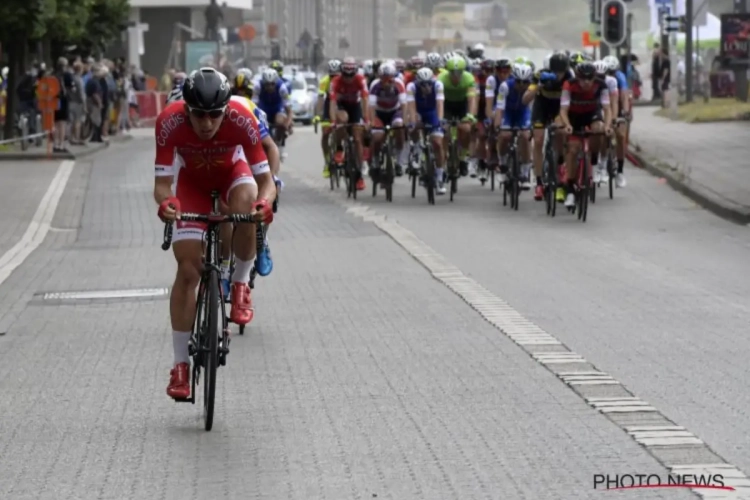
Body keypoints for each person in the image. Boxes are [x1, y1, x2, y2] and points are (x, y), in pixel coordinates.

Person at [154, 68, 276, 400]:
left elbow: (265, 180)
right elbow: (163, 185)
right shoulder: (168, 122)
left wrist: (265, 203)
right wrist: (167, 203)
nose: (206, 123)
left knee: (248, 206)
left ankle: (239, 284)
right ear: (186, 110)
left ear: (225, 110)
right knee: (188, 269)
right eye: (199, 115)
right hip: (190, 184)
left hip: (231, 174)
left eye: (214, 115)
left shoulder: (241, 119)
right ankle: (180, 366)